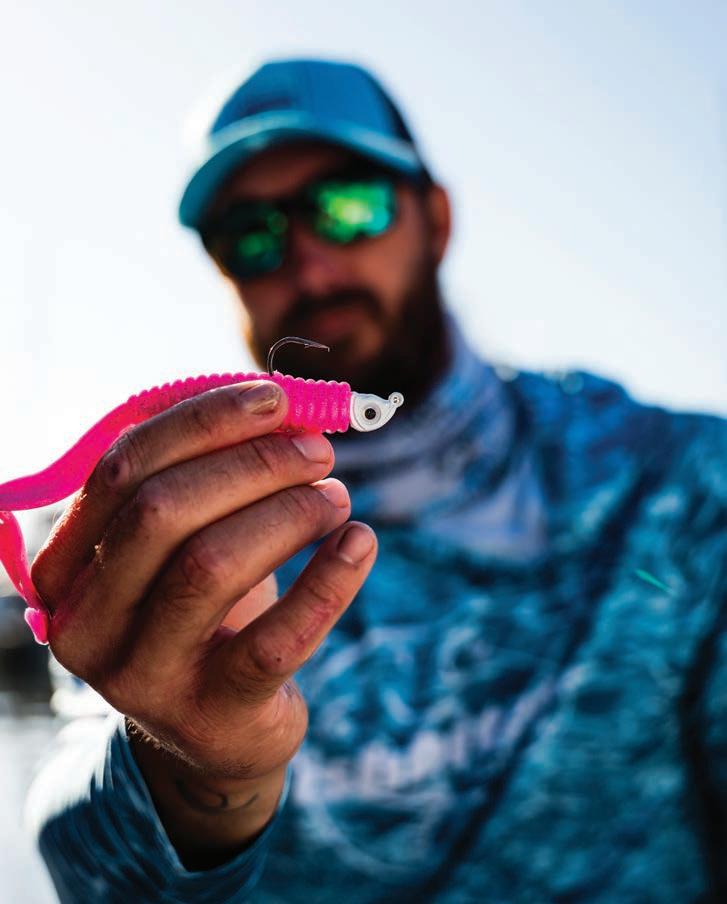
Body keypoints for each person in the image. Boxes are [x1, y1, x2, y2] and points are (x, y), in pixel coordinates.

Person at [25, 58, 727, 903]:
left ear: (435, 220)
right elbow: (79, 848)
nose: (309, 265)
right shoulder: (149, 518)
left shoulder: (685, 481)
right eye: (250, 233)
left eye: (349, 206)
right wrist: (193, 771)